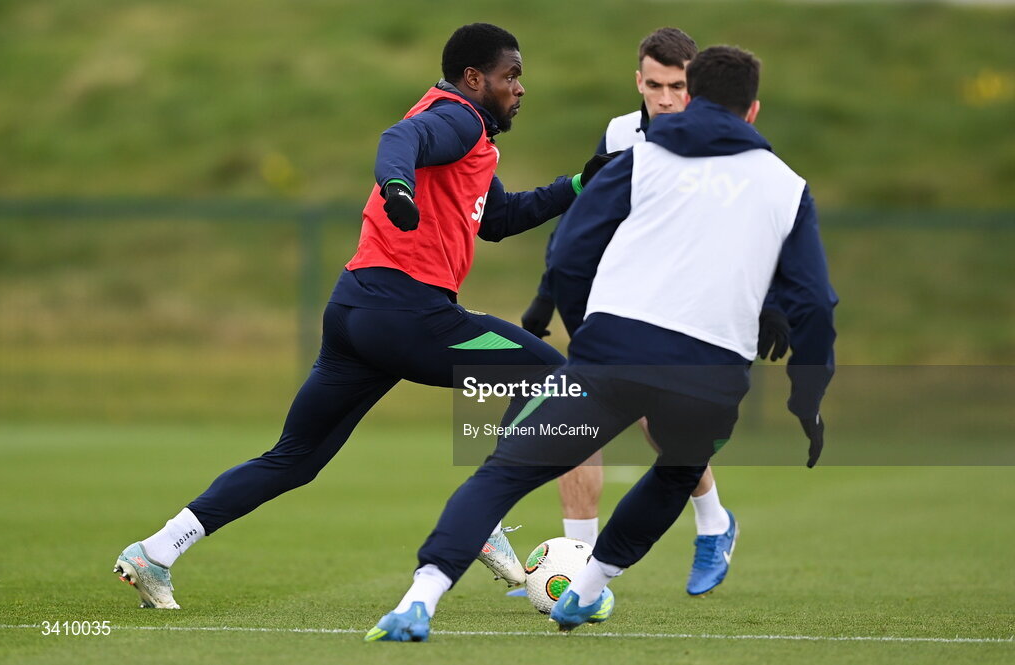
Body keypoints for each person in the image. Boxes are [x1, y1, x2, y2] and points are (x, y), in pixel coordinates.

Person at [111, 22, 615, 610]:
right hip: (408, 314)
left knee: (293, 459)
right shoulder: (457, 119)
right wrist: (396, 184)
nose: (519, 89)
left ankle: (156, 552)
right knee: (553, 376)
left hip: (355, 312)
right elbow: (399, 140)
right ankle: (483, 520)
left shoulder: (470, 139)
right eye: (511, 76)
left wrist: (579, 183)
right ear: (474, 79)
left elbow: (499, 217)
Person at [366, 45, 837, 642]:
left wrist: (584, 329)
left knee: (503, 474)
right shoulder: (787, 185)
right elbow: (815, 303)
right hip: (710, 374)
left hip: (612, 351)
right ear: (753, 111)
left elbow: (568, 252)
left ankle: (419, 599)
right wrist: (808, 396)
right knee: (677, 469)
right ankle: (586, 592)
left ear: (691, 94)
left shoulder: (642, 158)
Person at [518, 27, 790, 598]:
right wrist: (547, 295)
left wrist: (774, 300)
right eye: (655, 85)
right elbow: (583, 215)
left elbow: (761, 224)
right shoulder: (620, 133)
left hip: (683, 304)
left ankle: (714, 523)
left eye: (678, 86)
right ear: (638, 82)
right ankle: (580, 573)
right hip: (610, 297)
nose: (665, 99)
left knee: (660, 426)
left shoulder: (731, 142)